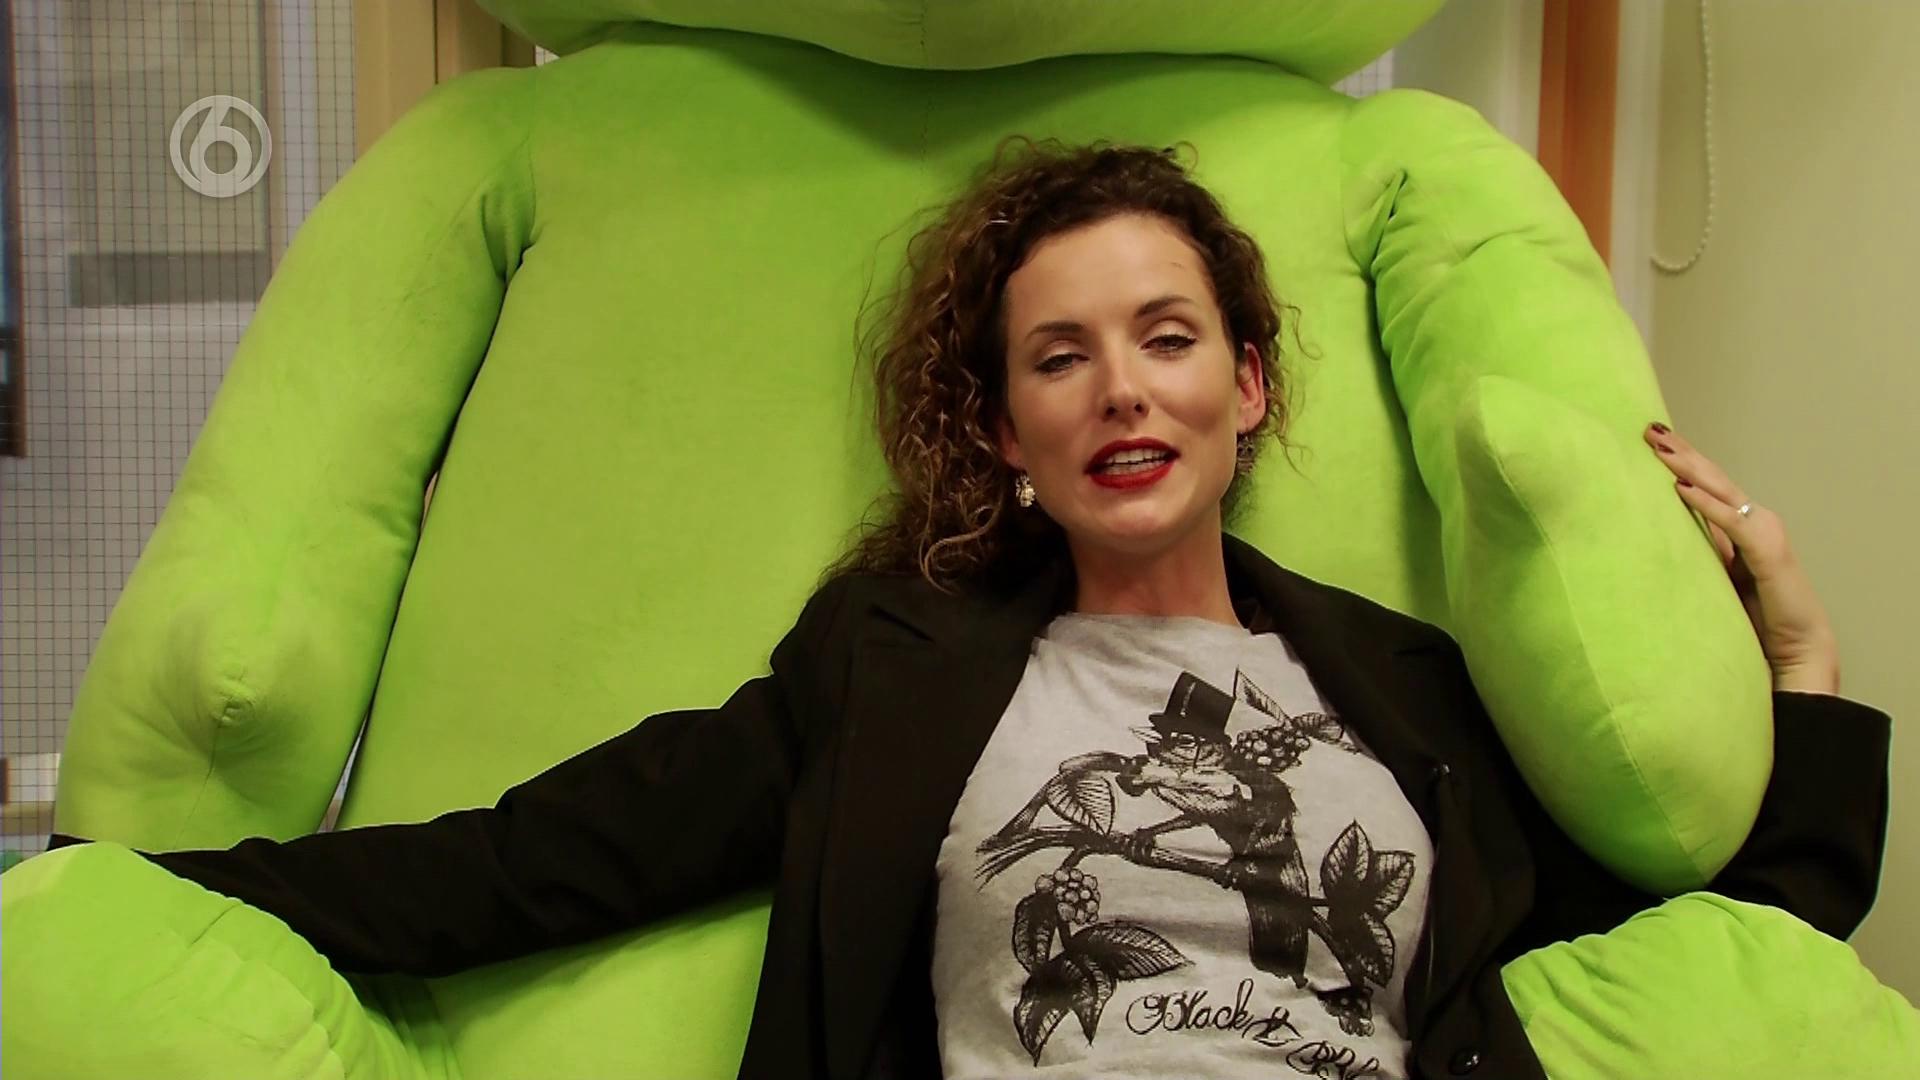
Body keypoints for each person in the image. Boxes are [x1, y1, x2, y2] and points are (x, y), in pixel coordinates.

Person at [49, 140, 1890, 1080]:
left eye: (1167, 339)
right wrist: (124, 890)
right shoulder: (894, 669)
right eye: (1060, 357)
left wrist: (1801, 669)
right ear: (1007, 432)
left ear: (1248, 386)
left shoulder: (1411, 691)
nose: (1122, 389)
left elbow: (1732, 947)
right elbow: (539, 862)